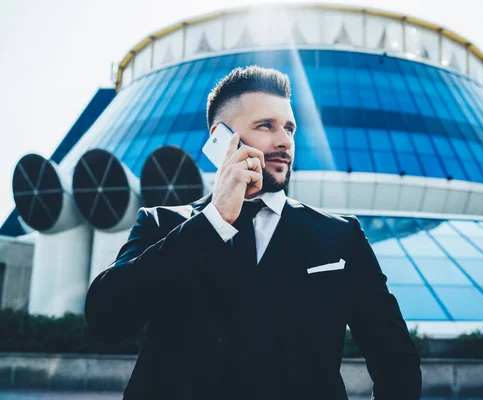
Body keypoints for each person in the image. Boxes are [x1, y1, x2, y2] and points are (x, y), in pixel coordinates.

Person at [85, 66, 421, 400]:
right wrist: (214, 221)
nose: (284, 141)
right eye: (266, 126)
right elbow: (107, 320)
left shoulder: (341, 236)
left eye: (289, 128)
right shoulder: (162, 224)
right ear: (220, 138)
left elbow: (395, 358)